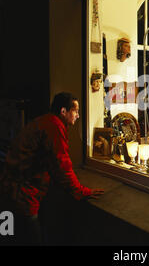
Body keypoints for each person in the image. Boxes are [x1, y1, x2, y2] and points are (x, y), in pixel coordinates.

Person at [0, 92, 104, 245]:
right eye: (75, 111)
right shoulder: (54, 126)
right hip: (24, 194)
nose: (78, 116)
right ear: (63, 111)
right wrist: (81, 191)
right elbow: (62, 165)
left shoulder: (47, 121)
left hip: (18, 190)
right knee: (31, 236)